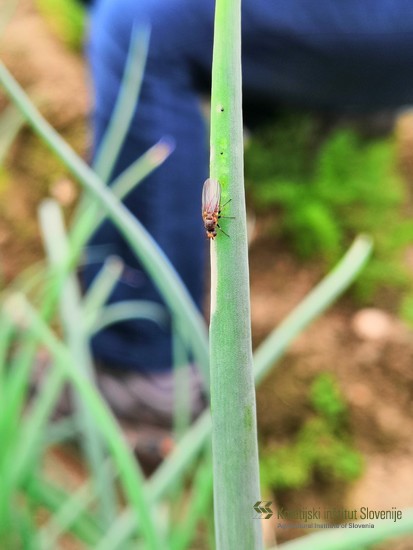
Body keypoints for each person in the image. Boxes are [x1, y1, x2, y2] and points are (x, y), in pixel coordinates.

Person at [80, 0, 413, 448]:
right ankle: (239, 101)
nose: (216, 224)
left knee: (136, 28)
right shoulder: (215, 214)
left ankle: (143, 366)